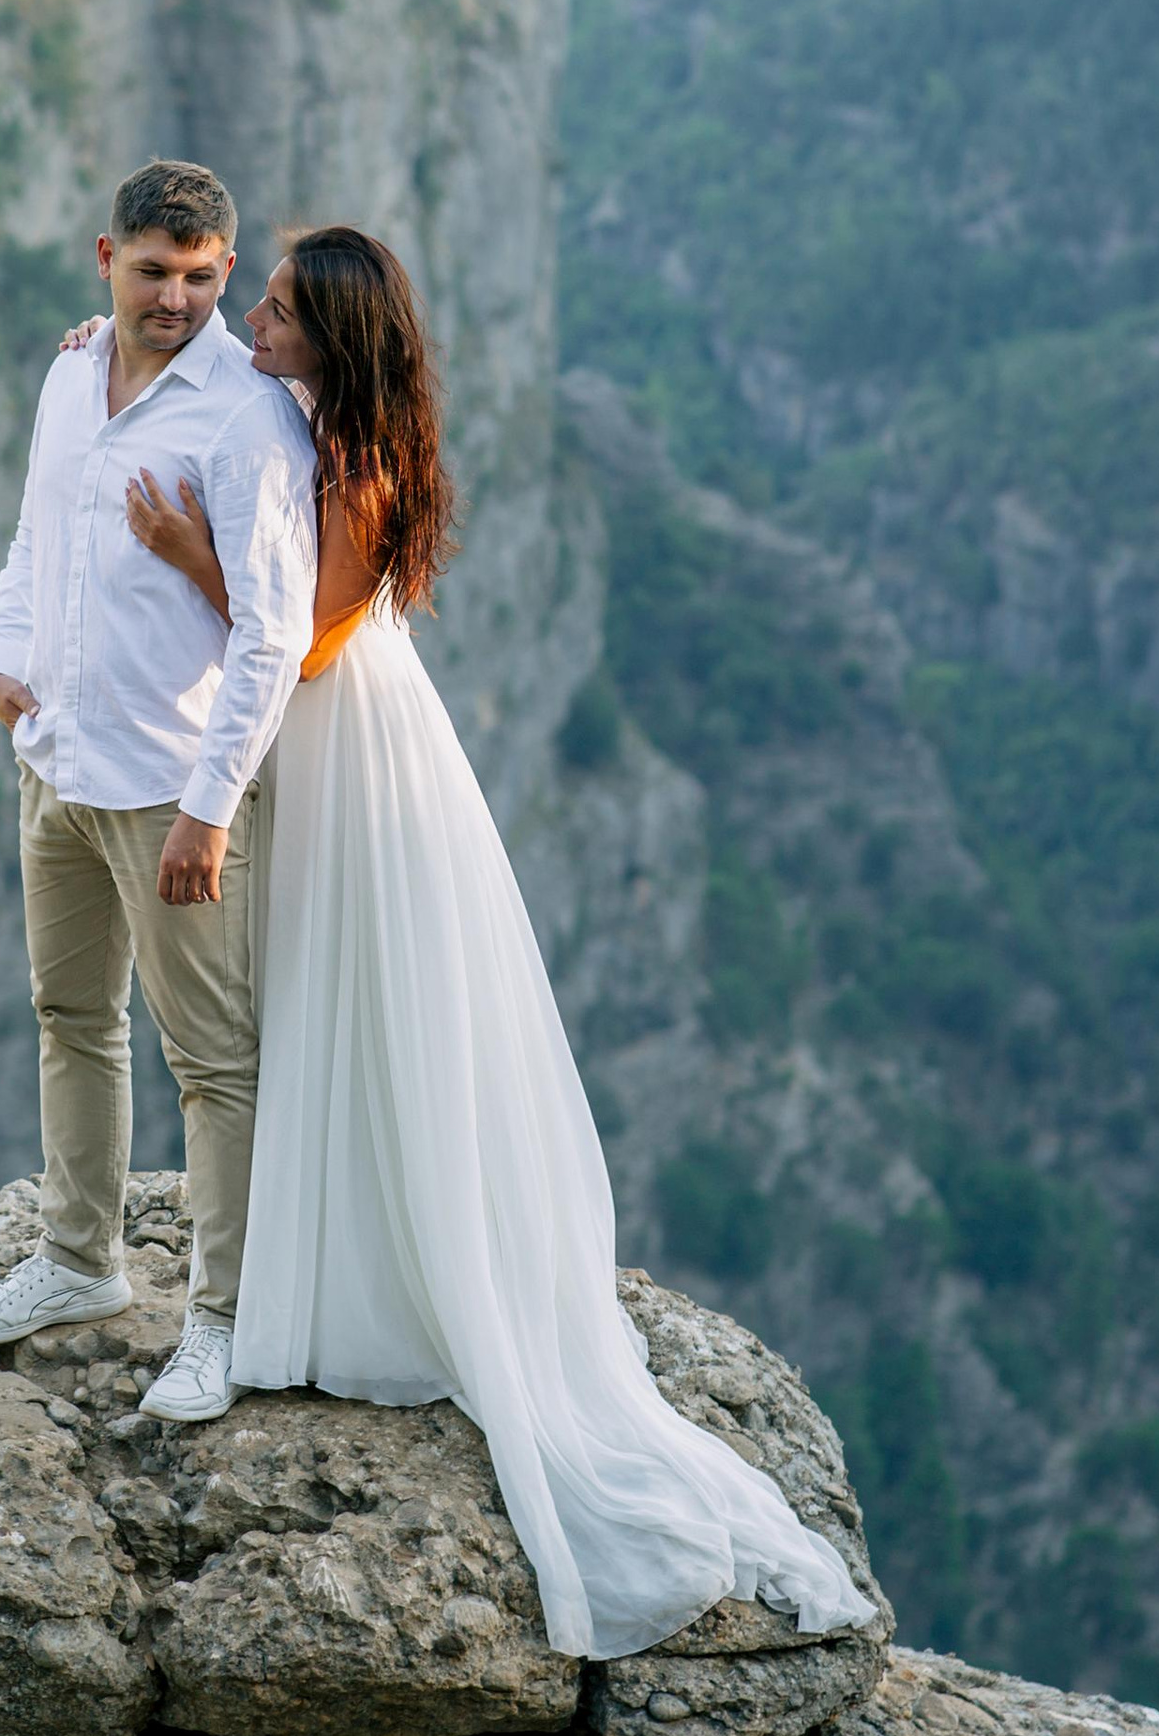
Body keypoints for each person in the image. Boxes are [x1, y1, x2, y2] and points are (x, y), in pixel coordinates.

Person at [96, 225, 880, 1659]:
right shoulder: (316, 420)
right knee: (326, 1003)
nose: (252, 324)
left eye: (278, 313)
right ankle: (327, 1264)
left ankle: (383, 1281)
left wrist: (183, 549)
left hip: (351, 746)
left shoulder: (359, 464)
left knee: (364, 996)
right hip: (321, 748)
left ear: (334, 344)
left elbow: (306, 642)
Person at [0, 159, 319, 1423]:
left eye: (200, 277)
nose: (175, 299)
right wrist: (1, 657)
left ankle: (222, 1320)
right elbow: (38, 532)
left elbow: (272, 634)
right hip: (57, 758)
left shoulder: (247, 418)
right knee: (69, 1016)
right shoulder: (69, 374)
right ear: (106, 258)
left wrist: (210, 810)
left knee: (212, 1062)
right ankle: (77, 1259)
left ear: (225, 271)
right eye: (153, 271)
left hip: (172, 783)